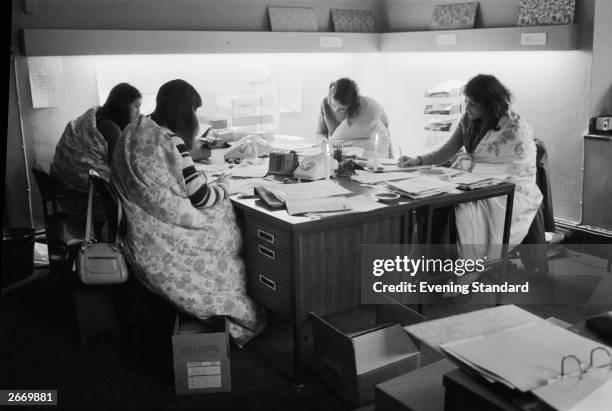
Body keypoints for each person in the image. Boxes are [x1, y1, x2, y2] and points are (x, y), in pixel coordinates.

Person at [111, 79, 265, 346]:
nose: (195, 117)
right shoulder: (171, 141)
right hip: (162, 235)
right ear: (184, 111)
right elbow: (201, 196)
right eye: (194, 110)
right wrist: (224, 187)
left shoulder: (135, 130)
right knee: (227, 231)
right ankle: (245, 307)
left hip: (135, 227)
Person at [398, 74, 543, 260]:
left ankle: (450, 265)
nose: (467, 108)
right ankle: (428, 265)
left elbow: (515, 170)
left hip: (507, 188)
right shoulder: (468, 119)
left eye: (473, 104)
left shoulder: (514, 128)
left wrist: (473, 170)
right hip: (470, 179)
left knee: (459, 212)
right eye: (466, 102)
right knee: (433, 203)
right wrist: (418, 160)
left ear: (489, 104)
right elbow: (448, 149)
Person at [50, 82, 142, 219]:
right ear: (123, 105)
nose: (138, 113)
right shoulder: (111, 128)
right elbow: (120, 170)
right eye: (136, 106)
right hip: (85, 201)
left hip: (65, 192)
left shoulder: (99, 118)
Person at [316, 77, 392, 158]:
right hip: (335, 154)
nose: (336, 110)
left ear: (351, 105)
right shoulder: (325, 104)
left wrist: (390, 159)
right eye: (333, 105)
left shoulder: (364, 109)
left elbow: (384, 130)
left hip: (359, 155)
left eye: (342, 109)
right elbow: (320, 133)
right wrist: (323, 143)